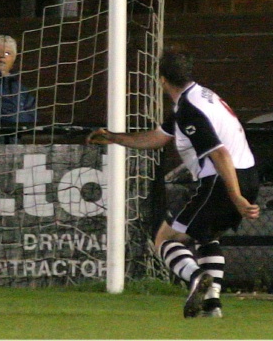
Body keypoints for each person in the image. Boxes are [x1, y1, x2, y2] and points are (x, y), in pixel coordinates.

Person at [87, 48, 260, 319]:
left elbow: (220, 153)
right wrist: (115, 138)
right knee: (207, 237)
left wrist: (235, 196)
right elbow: (157, 137)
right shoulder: (201, 96)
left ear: (162, 80)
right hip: (248, 175)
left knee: (164, 239)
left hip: (223, 179)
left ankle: (196, 277)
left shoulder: (190, 110)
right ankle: (211, 306)